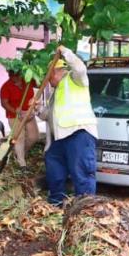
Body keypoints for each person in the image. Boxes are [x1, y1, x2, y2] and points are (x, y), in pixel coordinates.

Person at [35, 45, 99, 206]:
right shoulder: (55, 93)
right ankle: (56, 204)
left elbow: (80, 68)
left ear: (57, 72)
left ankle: (85, 209)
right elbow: (48, 116)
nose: (48, 82)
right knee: (54, 172)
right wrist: (37, 108)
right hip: (58, 138)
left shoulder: (75, 80)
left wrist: (65, 53)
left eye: (49, 77)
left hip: (79, 134)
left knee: (82, 174)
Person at [0, 69, 39, 166]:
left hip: (29, 113)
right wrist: (16, 111)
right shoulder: (5, 87)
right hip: (14, 115)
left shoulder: (29, 81)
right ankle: (22, 163)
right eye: (11, 75)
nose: (14, 77)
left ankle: (21, 153)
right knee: (19, 138)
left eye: (16, 75)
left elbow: (40, 84)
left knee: (33, 137)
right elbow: (4, 103)